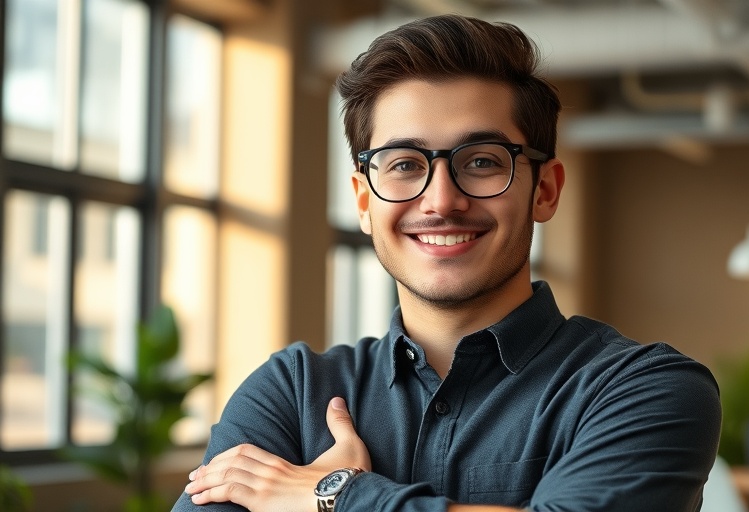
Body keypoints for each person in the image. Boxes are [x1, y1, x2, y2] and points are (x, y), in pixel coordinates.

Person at [172, 14, 721, 512]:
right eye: (405, 164)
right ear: (364, 201)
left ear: (545, 190)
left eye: (481, 161)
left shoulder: (644, 388)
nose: (440, 201)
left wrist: (339, 496)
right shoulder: (292, 392)